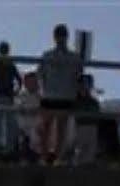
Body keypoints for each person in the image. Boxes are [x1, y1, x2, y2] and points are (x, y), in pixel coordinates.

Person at [38, 23, 84, 164]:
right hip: (49, 95)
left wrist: (74, 92)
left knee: (61, 128)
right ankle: (45, 156)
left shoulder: (74, 57)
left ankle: (57, 157)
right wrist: (44, 89)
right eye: (58, 35)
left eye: (63, 35)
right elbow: (41, 73)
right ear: (54, 37)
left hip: (65, 96)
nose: (60, 38)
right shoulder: (47, 55)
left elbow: (78, 75)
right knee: (45, 126)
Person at [72, 74, 101, 165]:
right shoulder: (75, 100)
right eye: (83, 84)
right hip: (79, 126)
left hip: (92, 126)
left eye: (87, 84)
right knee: (79, 150)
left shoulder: (93, 101)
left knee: (90, 150)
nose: (85, 86)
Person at [16, 71, 42, 163]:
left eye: (33, 82)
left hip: (38, 130)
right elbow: (19, 112)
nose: (31, 84)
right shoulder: (21, 96)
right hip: (24, 130)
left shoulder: (42, 97)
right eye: (28, 82)